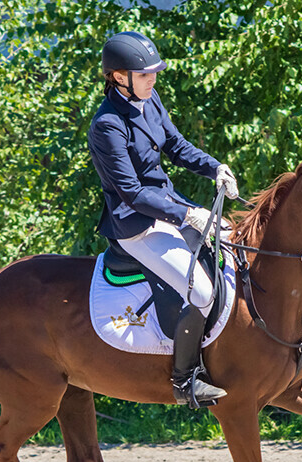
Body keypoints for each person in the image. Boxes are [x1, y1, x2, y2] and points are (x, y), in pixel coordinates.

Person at [87, 31, 239, 408]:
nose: (153, 79)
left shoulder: (149, 100)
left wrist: (215, 168)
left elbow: (176, 146)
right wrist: (188, 213)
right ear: (119, 77)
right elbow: (131, 193)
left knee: (232, 242)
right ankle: (184, 381)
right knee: (200, 292)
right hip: (135, 224)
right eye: (144, 74)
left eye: (154, 73)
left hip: (167, 205)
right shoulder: (107, 125)